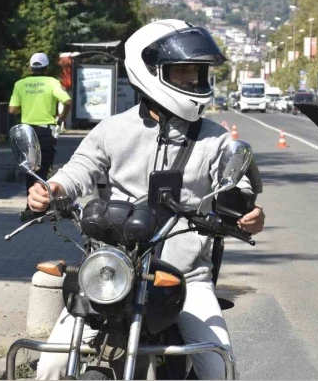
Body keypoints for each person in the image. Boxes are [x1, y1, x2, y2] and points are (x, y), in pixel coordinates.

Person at [28, 20, 266, 380]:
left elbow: (239, 193)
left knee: (218, 367)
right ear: (151, 70)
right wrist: (52, 190)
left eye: (196, 73)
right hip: (113, 271)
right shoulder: (113, 129)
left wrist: (249, 214)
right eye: (181, 72)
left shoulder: (216, 140)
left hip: (186, 277)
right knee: (52, 364)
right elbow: (79, 169)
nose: (191, 81)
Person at [9, 53, 72, 202]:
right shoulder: (52, 82)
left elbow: (12, 109)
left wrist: (26, 107)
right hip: (46, 131)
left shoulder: (20, 84)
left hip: (26, 132)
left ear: (31, 67)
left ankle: (30, 204)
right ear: (46, 68)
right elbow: (68, 102)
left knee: (29, 169)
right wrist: (61, 118)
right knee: (43, 169)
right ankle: (41, 205)